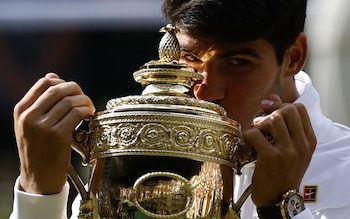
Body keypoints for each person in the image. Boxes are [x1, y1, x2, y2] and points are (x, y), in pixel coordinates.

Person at [9, 0, 350, 219]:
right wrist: (39, 193)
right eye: (189, 58)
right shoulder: (138, 149)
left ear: (292, 57)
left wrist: (279, 208)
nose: (206, 89)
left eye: (237, 62)